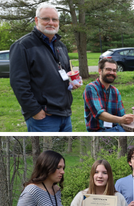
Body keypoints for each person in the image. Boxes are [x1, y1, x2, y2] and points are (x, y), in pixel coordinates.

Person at [10, 3, 82, 132]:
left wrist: (72, 83)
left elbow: (65, 73)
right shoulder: (23, 46)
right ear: (37, 20)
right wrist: (35, 111)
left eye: (54, 19)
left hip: (65, 114)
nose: (51, 22)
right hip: (44, 117)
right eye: (46, 19)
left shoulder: (61, 46)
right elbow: (18, 83)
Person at [84, 58, 134, 132]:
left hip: (115, 128)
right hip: (98, 131)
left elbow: (121, 114)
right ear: (99, 71)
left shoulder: (115, 91)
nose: (112, 72)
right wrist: (121, 119)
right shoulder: (91, 88)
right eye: (108, 69)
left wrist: (127, 118)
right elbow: (99, 114)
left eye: (114, 70)